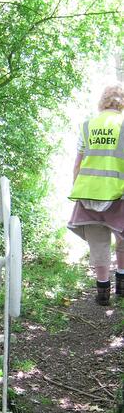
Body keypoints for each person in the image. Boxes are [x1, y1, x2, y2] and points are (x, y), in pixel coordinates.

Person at [68, 83, 124, 305]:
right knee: (122, 240)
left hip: (89, 195)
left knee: (98, 244)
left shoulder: (87, 126)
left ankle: (102, 293)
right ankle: (121, 285)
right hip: (118, 195)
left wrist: (77, 190)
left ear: (103, 101)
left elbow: (77, 165)